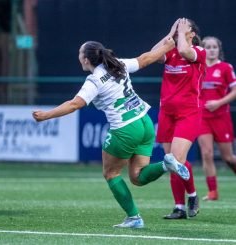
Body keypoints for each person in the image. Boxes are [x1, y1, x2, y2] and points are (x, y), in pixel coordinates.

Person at [32, 38, 190, 229]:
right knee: (137, 177)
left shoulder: (95, 79)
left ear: (86, 60)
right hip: (145, 122)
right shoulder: (119, 64)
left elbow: (75, 104)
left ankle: (134, 218)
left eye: (80, 54)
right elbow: (147, 58)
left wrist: (45, 115)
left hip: (125, 128)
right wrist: (172, 40)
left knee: (111, 173)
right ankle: (166, 163)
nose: (79, 57)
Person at [152, 18, 206, 219]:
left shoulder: (199, 52)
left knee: (174, 159)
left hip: (189, 112)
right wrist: (172, 30)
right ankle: (179, 207)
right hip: (167, 112)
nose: (180, 30)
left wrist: (181, 34)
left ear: (192, 33)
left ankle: (192, 195)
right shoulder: (170, 52)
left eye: (185, 27)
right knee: (172, 162)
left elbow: (185, 51)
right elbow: (153, 54)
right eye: (179, 28)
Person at [198, 36, 236, 201]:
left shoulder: (226, 68)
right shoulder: (198, 67)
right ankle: (213, 191)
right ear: (202, 49)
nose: (211, 49)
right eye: (208, 47)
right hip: (202, 118)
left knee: (228, 158)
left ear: (219, 49)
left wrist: (219, 102)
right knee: (206, 154)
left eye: (214, 47)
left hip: (221, 117)